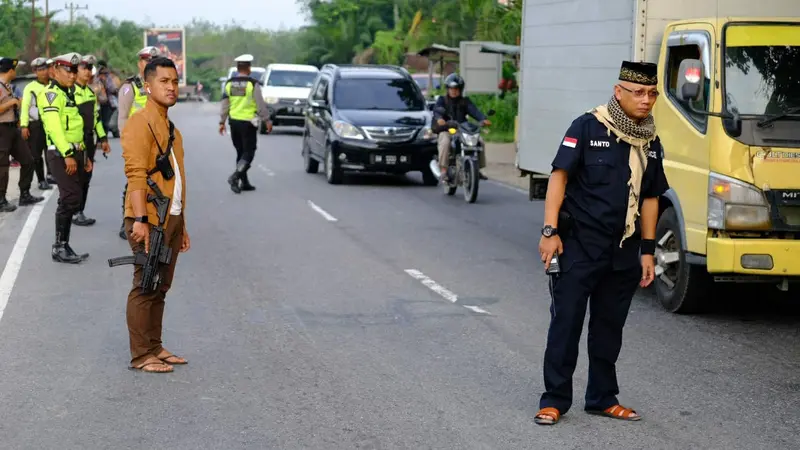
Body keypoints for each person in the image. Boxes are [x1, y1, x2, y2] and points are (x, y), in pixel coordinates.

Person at [533, 61, 669, 426]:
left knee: (609, 328)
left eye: (652, 93)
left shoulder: (650, 141)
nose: (646, 100)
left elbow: (651, 198)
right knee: (566, 324)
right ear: (618, 91)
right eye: (638, 92)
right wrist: (550, 232)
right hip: (578, 246)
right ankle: (554, 400)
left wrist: (648, 250)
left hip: (622, 250)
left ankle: (602, 398)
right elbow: (558, 178)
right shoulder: (587, 126)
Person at [121, 56, 190, 373]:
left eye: (174, 81)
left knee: (161, 286)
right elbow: (135, 175)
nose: (171, 87)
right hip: (147, 217)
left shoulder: (171, 127)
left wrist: (182, 223)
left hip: (170, 218)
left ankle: (154, 346)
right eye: (164, 81)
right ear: (147, 86)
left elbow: (174, 177)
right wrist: (140, 220)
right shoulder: (139, 122)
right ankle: (140, 354)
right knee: (145, 284)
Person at [39, 53, 92, 263]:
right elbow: (54, 128)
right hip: (61, 153)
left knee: (70, 197)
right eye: (68, 71)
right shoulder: (51, 94)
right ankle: (59, 247)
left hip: (76, 152)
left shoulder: (67, 93)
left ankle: (63, 245)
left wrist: (84, 155)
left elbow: (77, 128)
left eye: (73, 71)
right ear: (55, 71)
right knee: (71, 198)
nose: (72, 75)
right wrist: (68, 154)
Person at [117, 46, 163, 240]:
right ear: (140, 63)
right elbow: (122, 117)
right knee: (135, 182)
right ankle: (127, 221)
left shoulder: (159, 84)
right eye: (146, 60)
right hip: (137, 142)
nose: (149, 64)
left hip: (156, 142)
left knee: (155, 182)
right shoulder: (130, 86)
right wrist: (126, 141)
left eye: (153, 60)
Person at [218, 54, 272, 194]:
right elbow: (260, 105)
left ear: (237, 68)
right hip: (248, 123)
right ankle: (235, 177)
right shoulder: (252, 84)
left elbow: (225, 104)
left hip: (234, 122)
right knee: (249, 152)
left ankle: (244, 182)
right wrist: (267, 120)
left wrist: (222, 122)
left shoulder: (229, 83)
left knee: (240, 151)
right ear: (248, 68)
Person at [0, 57, 45, 213]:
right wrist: (11, 103)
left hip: (13, 129)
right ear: (10, 70)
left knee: (28, 160)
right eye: (14, 69)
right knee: (2, 167)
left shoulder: (8, 87)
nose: (15, 72)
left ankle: (24, 194)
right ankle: (1, 200)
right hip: (2, 130)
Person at [72, 54, 111, 226]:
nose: (88, 72)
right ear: (76, 70)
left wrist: (103, 138)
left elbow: (96, 119)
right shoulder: (69, 93)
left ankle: (79, 210)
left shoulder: (89, 93)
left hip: (88, 140)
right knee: (74, 178)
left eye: (90, 68)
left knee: (86, 177)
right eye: (84, 68)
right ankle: (70, 211)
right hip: (73, 141)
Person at [432, 73, 491, 182]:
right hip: (446, 129)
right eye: (451, 88)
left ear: (460, 89)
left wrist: (482, 119)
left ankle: (477, 169)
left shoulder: (465, 101)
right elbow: (437, 110)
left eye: (456, 89)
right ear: (447, 89)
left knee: (480, 141)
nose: (454, 91)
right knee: (445, 142)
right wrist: (440, 118)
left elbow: (474, 111)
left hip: (462, 130)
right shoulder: (442, 100)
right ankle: (444, 170)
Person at [20, 57, 54, 191]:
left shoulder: (53, 84)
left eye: (44, 69)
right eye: (39, 70)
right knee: (36, 154)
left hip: (52, 122)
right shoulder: (30, 87)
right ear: (35, 71)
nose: (43, 72)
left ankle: (51, 175)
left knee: (51, 151)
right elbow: (25, 107)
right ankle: (41, 180)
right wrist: (24, 125)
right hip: (36, 124)